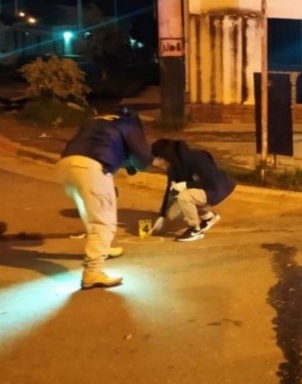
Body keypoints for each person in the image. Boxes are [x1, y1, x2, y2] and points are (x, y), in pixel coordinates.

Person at [57, 108, 153, 289]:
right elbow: (143, 158)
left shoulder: (97, 121)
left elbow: (100, 144)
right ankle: (93, 271)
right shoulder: (129, 125)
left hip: (66, 166)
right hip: (90, 168)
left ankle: (103, 248)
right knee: (104, 223)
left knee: (90, 213)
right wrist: (138, 164)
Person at [150, 138, 236, 242]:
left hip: (218, 189)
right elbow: (170, 190)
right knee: (172, 214)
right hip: (202, 189)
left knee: (184, 197)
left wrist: (186, 185)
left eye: (158, 158)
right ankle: (208, 217)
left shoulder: (198, 158)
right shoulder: (173, 167)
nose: (155, 163)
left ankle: (195, 230)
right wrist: (163, 216)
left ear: (165, 157)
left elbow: (211, 182)